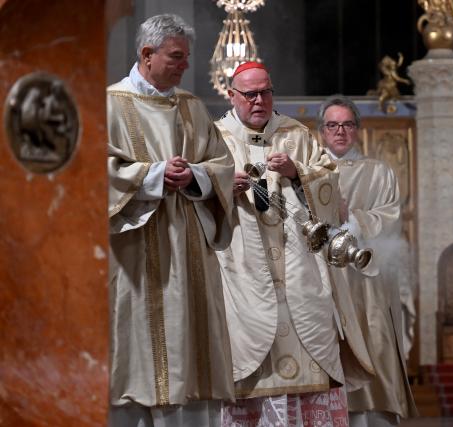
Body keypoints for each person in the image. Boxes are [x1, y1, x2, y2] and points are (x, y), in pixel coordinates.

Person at [214, 62, 373, 426]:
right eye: (250, 94)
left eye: (266, 92)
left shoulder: (296, 135)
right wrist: (221, 185)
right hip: (244, 279)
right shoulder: (216, 138)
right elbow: (195, 202)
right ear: (231, 96)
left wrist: (296, 173)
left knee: (309, 374)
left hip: (300, 279)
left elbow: (332, 193)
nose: (259, 100)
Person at [107, 14, 235, 426]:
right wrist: (155, 174)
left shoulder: (192, 107)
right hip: (133, 253)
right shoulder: (107, 105)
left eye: (186, 57)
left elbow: (222, 165)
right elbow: (93, 172)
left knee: (189, 355)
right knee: (132, 356)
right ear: (146, 54)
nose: (184, 65)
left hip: (188, 251)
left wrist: (195, 176)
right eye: (176, 57)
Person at [318, 95, 418, 426]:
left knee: (374, 350)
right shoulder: (308, 173)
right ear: (322, 131)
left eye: (347, 124)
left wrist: (353, 219)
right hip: (323, 285)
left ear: (358, 130)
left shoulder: (379, 173)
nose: (340, 132)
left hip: (367, 283)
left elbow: (391, 220)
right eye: (332, 125)